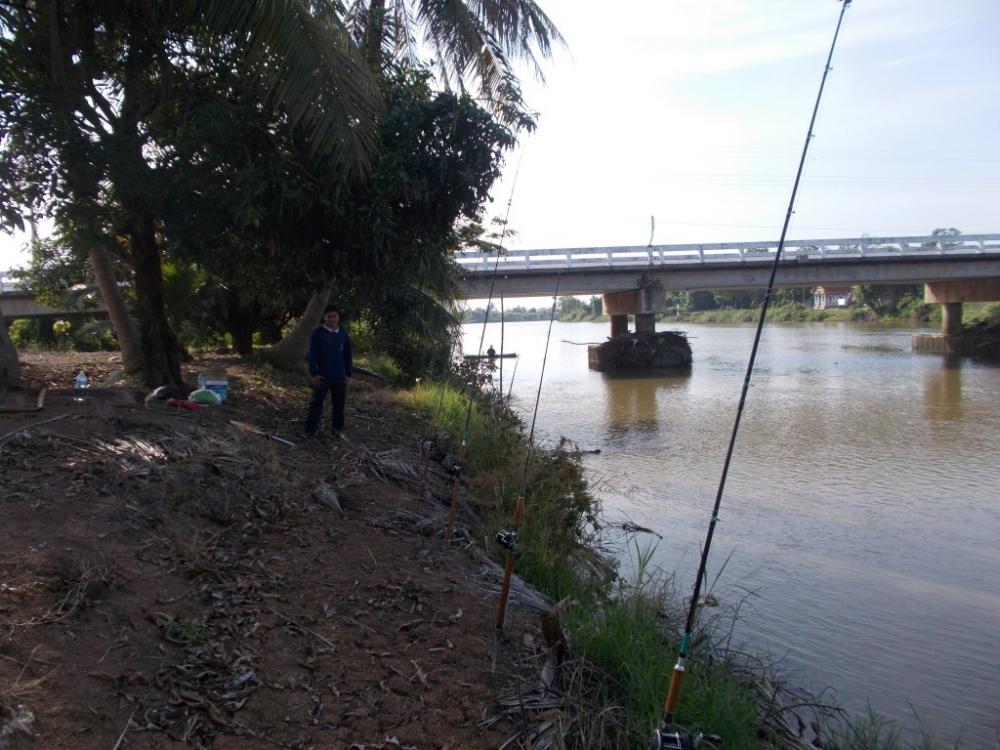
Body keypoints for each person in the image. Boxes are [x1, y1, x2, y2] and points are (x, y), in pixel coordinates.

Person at [305, 305, 352, 436]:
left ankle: (337, 430)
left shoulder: (342, 333)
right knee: (316, 403)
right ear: (324, 317)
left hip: (339, 376)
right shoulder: (317, 333)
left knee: (338, 405)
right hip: (322, 376)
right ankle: (309, 430)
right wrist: (313, 374)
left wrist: (348, 374)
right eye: (329, 316)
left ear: (338, 318)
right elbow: (312, 355)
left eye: (334, 316)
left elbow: (348, 355)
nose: (331, 319)